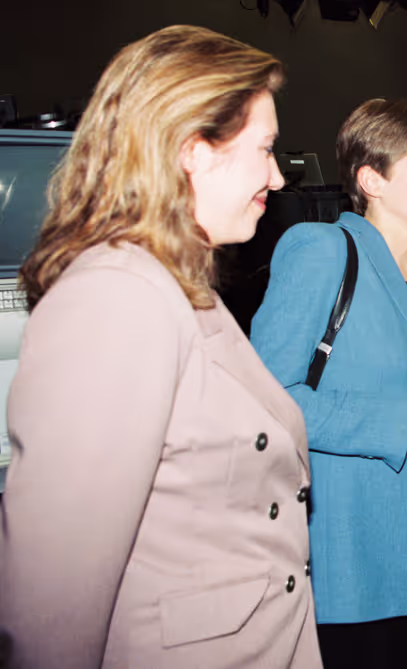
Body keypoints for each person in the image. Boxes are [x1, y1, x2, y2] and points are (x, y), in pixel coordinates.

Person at [0, 25, 321, 668]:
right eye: (264, 149)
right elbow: (53, 596)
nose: (276, 179)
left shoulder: (175, 283)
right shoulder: (116, 299)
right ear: (192, 151)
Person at [250, 98, 407, 669]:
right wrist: (406, 416)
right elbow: (266, 400)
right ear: (371, 179)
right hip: (338, 546)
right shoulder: (322, 252)